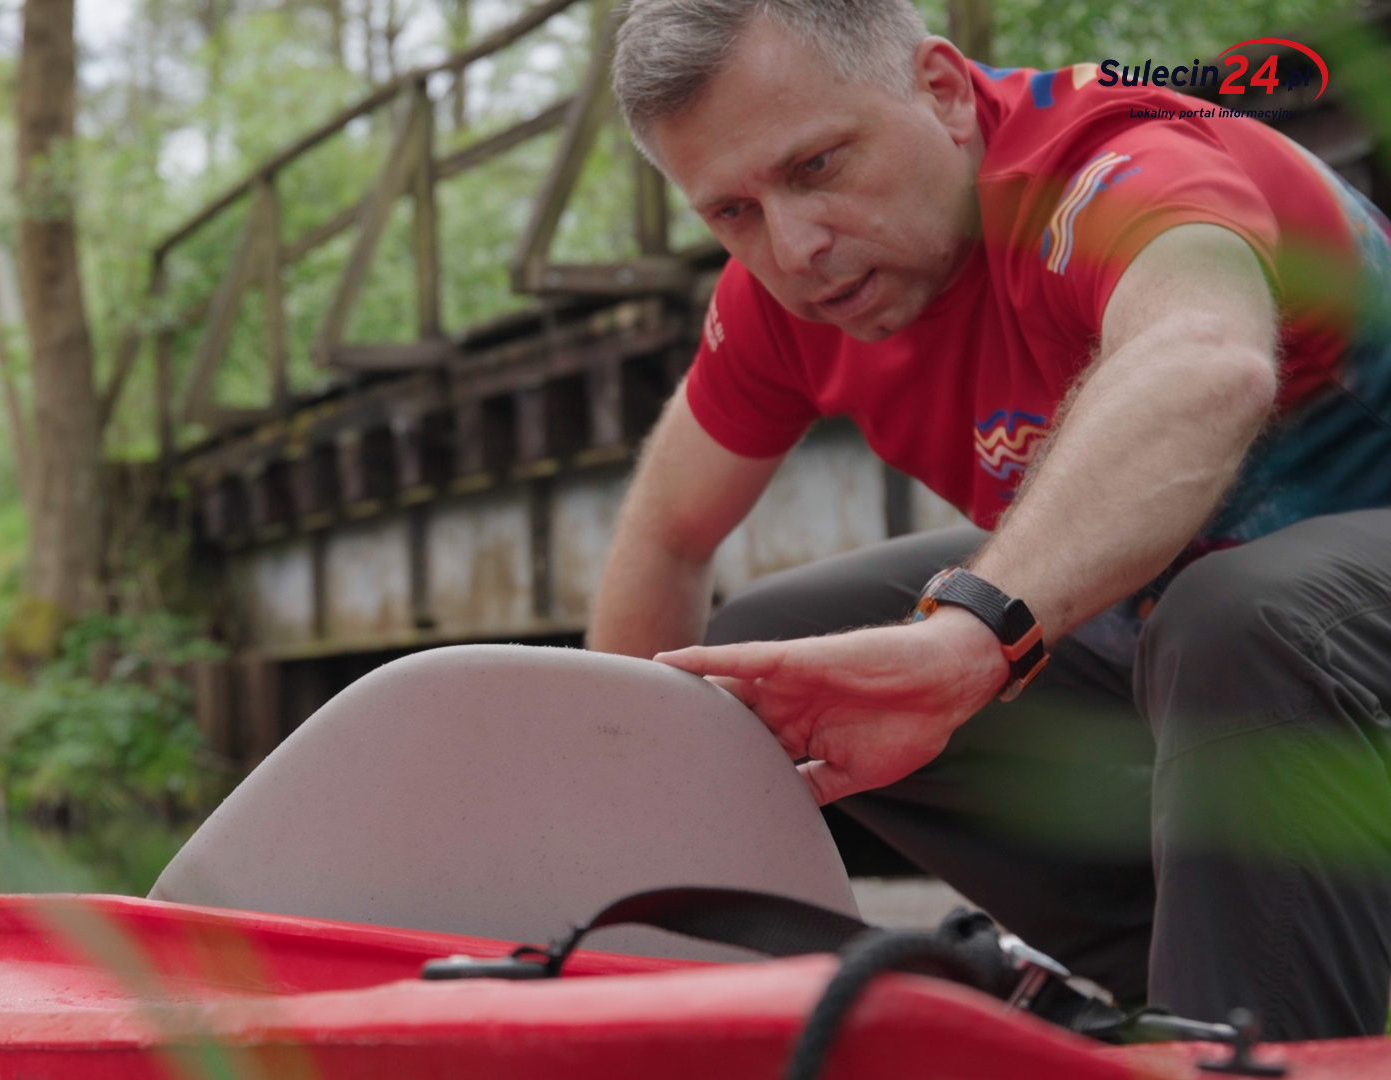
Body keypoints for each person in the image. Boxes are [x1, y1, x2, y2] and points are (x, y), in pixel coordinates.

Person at [589, 0, 1391, 1040]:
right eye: (733, 211)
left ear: (941, 92)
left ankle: (1252, 1034)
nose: (795, 247)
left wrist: (972, 637)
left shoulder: (1119, 161)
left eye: (817, 166)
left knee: (1237, 615)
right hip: (1200, 635)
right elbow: (668, 531)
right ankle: (1191, 975)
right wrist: (604, 848)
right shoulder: (788, 297)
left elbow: (1205, 358)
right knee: (773, 655)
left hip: (1310, 610)